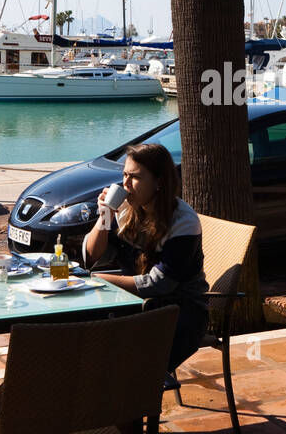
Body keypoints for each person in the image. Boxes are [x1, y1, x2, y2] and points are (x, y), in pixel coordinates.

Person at [82, 143, 208, 375]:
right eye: (124, 175)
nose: (125, 184)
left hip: (180, 313)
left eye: (135, 177)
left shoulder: (182, 222)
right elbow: (91, 257)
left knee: (119, 368)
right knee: (82, 344)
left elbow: (159, 284)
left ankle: (131, 404)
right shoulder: (127, 210)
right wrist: (104, 217)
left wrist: (98, 280)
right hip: (137, 306)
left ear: (159, 182)